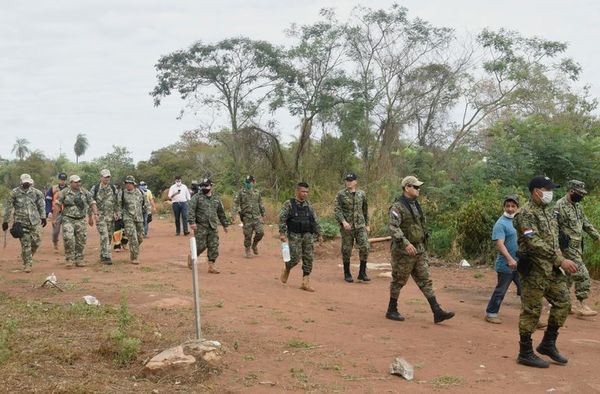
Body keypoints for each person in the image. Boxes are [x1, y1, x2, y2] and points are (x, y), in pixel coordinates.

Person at [513, 175, 578, 368]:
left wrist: (562, 249)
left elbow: (554, 238)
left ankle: (548, 344)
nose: (550, 193)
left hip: (553, 269)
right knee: (532, 311)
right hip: (534, 270)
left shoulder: (549, 212)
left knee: (564, 303)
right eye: (547, 189)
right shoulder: (524, 213)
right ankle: (525, 352)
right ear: (536, 191)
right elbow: (532, 242)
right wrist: (559, 259)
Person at [386, 176, 454, 324]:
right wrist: (405, 243)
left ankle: (437, 311)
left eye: (418, 187)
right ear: (407, 188)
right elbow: (393, 227)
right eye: (415, 187)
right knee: (398, 280)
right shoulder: (397, 207)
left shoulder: (416, 205)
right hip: (403, 252)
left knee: (425, 280)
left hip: (419, 249)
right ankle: (391, 310)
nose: (418, 189)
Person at [555, 179, 600, 317]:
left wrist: (597, 237)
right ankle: (581, 304)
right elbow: (553, 227)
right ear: (571, 191)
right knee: (583, 274)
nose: (581, 196)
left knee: (568, 277)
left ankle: (566, 304)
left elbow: (585, 223)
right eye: (579, 193)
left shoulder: (578, 206)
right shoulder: (559, 206)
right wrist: (557, 248)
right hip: (567, 248)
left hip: (577, 247)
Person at [279, 182, 322, 292]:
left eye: (307, 192)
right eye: (303, 191)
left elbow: (315, 220)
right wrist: (282, 233)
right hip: (295, 235)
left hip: (308, 235)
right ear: (297, 191)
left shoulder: (309, 206)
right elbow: (282, 218)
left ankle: (305, 282)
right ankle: (287, 268)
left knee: (308, 258)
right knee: (295, 258)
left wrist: (319, 233)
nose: (305, 194)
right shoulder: (289, 204)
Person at [485, 195, 522, 324]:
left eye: (513, 206)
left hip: (521, 264)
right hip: (506, 264)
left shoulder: (520, 221)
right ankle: (491, 313)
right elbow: (500, 244)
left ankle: (531, 317)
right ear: (504, 207)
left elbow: (529, 235)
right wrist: (510, 259)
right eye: (508, 206)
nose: (510, 209)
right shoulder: (500, 224)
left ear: (518, 207)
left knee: (526, 290)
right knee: (501, 290)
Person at [3, 174, 46, 273]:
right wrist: (5, 221)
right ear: (21, 182)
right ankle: (27, 264)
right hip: (20, 223)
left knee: (36, 242)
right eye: (24, 182)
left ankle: (26, 255)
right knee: (26, 243)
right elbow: (8, 208)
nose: (26, 183)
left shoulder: (37, 193)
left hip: (34, 222)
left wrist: (43, 217)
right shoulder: (14, 193)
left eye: (28, 182)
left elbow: (41, 205)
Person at [54, 175, 98, 268]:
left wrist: (95, 214)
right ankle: (69, 259)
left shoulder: (84, 192)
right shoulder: (64, 192)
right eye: (76, 182)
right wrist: (54, 219)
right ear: (71, 183)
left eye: (79, 182)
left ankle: (79, 258)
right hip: (68, 219)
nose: (78, 183)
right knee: (69, 238)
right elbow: (58, 204)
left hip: (81, 219)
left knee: (81, 240)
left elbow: (92, 203)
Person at [334, 172, 370, 282]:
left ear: (356, 182)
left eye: (351, 180)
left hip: (360, 225)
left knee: (365, 247)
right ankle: (347, 273)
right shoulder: (341, 194)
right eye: (347, 180)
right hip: (347, 227)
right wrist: (343, 222)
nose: (349, 182)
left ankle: (362, 273)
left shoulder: (361, 194)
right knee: (346, 249)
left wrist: (367, 224)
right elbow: (337, 210)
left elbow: (365, 209)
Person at [187, 178, 229, 274]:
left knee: (213, 246)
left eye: (206, 185)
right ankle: (192, 256)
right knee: (201, 246)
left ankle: (211, 266)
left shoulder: (216, 198)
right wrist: (192, 222)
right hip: (201, 226)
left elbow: (221, 212)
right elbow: (191, 210)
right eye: (202, 186)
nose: (204, 187)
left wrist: (225, 225)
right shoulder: (197, 197)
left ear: (211, 186)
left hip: (213, 226)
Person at [231, 175, 266, 258]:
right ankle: (247, 250)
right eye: (247, 182)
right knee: (247, 235)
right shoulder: (241, 192)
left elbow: (260, 203)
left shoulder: (257, 192)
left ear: (254, 182)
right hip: (246, 217)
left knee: (260, 232)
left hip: (256, 216)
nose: (248, 184)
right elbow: (235, 203)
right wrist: (234, 214)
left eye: (249, 182)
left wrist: (263, 213)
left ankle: (254, 245)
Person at [89, 169, 120, 265]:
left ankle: (103, 255)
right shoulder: (95, 188)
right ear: (101, 177)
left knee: (109, 237)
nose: (107, 179)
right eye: (105, 177)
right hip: (100, 217)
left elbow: (117, 201)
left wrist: (117, 212)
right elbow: (90, 202)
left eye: (108, 177)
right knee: (105, 236)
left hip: (111, 217)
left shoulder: (113, 188)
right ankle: (107, 257)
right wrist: (91, 216)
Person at [120, 176, 147, 264]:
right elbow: (118, 205)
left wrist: (149, 214)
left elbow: (146, 203)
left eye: (129, 183)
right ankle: (134, 257)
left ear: (133, 184)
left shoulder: (140, 192)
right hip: (128, 218)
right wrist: (119, 215)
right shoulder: (122, 193)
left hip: (139, 218)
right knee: (133, 237)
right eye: (126, 183)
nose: (128, 185)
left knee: (140, 237)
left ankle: (133, 246)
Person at [45, 172, 68, 250]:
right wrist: (49, 212)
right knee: (56, 232)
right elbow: (48, 201)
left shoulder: (69, 189)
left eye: (64, 180)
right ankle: (55, 242)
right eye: (61, 180)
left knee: (67, 231)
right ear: (58, 180)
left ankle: (68, 247)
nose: (63, 181)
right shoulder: (53, 188)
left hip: (66, 213)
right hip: (56, 213)